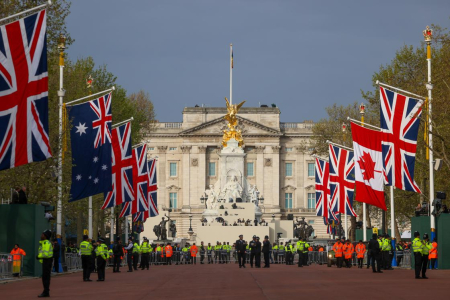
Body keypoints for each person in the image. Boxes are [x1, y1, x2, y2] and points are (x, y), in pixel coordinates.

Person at [37, 230, 53, 298]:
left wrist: (38, 256)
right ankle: (46, 291)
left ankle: (46, 292)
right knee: (45, 277)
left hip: (47, 261)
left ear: (45, 236)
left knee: (45, 277)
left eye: (42, 234)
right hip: (46, 261)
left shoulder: (46, 243)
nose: (41, 235)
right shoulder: (44, 243)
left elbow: (45, 254)